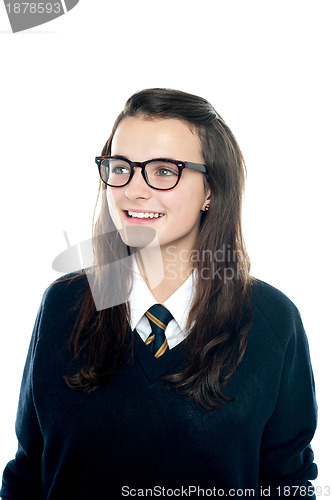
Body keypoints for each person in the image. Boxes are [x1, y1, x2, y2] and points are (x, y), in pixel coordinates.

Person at [1, 88, 317, 499]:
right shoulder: (63, 303)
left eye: (164, 170)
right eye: (121, 167)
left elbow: (287, 483)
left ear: (212, 190)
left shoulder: (273, 320)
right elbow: (29, 471)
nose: (134, 190)